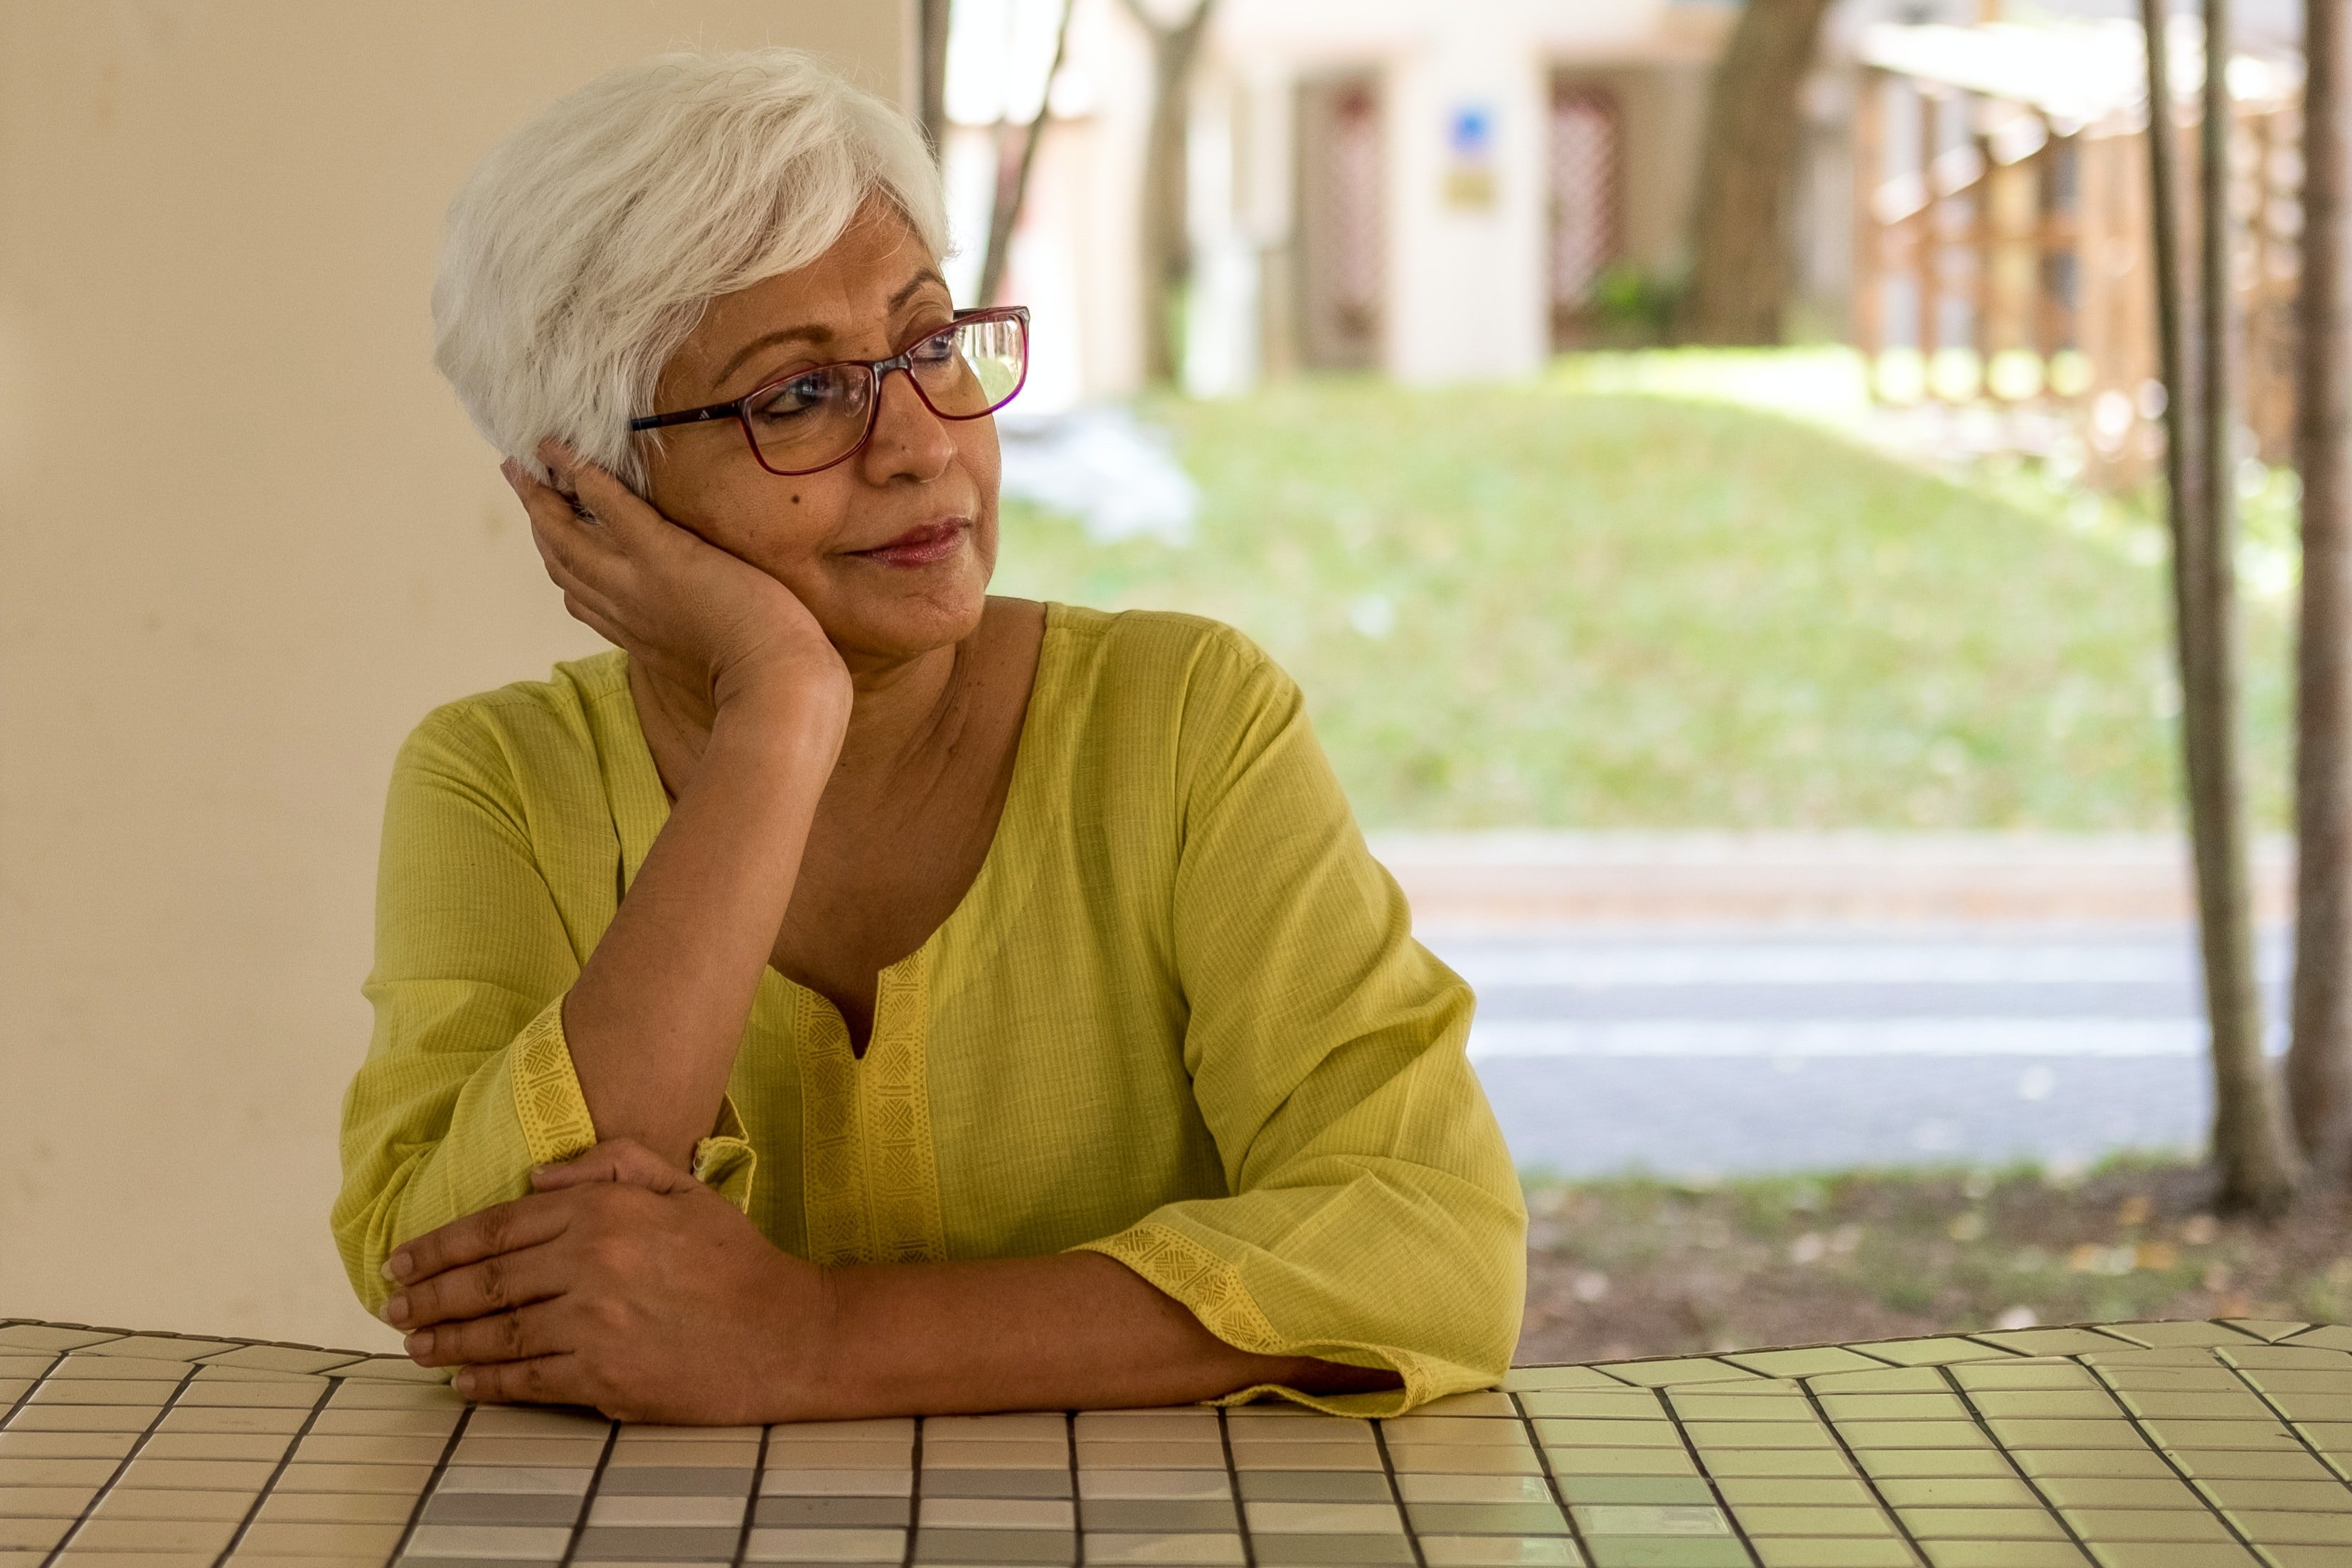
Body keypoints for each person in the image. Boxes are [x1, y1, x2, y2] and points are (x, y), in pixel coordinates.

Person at [332, 48, 1524, 1425]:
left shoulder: (1184, 717)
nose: (921, 443)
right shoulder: (497, 781)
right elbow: (461, 1271)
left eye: (930, 343)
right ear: (584, 492)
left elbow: (1432, 1247)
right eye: (797, 395)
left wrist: (816, 1340)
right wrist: (778, 715)